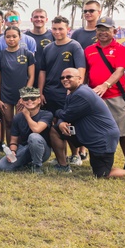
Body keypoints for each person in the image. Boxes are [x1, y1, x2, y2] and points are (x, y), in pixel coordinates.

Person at [54, 68, 125, 180]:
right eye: (62, 78)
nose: (65, 79)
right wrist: (60, 122)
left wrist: (57, 115)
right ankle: (62, 165)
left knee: (102, 174)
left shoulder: (81, 94)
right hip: (91, 135)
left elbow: (66, 114)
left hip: (102, 139)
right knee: (55, 129)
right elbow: (66, 115)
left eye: (69, 77)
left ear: (80, 79)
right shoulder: (75, 92)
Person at [84, 17, 125, 168]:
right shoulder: (89, 50)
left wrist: (105, 85)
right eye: (100, 29)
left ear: (115, 30)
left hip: (114, 96)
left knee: (123, 132)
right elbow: (87, 73)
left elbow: (120, 71)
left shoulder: (121, 49)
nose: (103, 32)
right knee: (96, 131)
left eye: (106, 29)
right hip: (95, 97)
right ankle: (98, 162)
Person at [35, 16, 86, 165]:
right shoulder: (48, 48)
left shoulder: (74, 46)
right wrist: (40, 91)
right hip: (50, 93)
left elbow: (80, 69)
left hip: (67, 93)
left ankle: (75, 155)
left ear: (67, 29)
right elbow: (43, 71)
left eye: (60, 29)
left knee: (70, 124)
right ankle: (61, 158)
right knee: (55, 126)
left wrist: (75, 90)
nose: (57, 32)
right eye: (54, 29)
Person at [0, 87, 52, 173]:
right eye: (26, 98)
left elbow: (36, 129)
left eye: (33, 98)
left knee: (34, 137)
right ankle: (26, 162)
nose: (29, 101)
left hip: (42, 150)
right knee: (1, 166)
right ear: (21, 101)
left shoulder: (46, 114)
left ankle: (36, 166)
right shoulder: (17, 118)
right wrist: (13, 151)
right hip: (24, 149)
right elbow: (14, 140)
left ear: (39, 100)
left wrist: (27, 115)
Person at [0, 26, 35, 137]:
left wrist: (24, 96)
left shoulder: (27, 54)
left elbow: (31, 77)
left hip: (22, 95)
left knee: (20, 122)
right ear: (4, 38)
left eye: (14, 36)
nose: (11, 39)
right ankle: (11, 150)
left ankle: (21, 148)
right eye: (8, 37)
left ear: (20, 37)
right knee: (9, 122)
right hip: (6, 94)